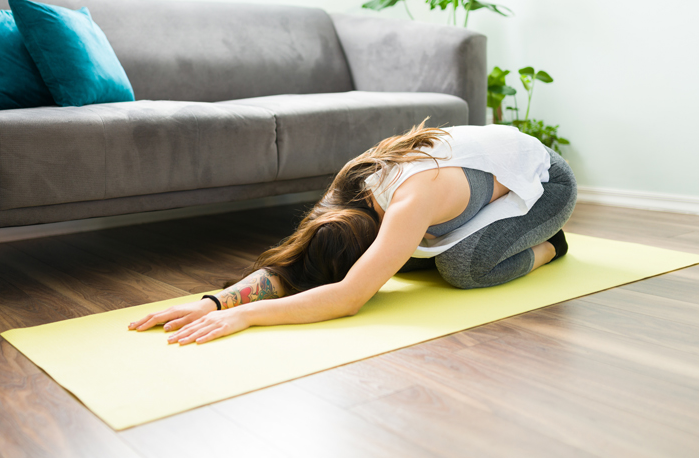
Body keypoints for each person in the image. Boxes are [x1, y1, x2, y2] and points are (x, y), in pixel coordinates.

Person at [129, 119, 577, 345]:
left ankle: (549, 247)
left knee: (463, 270)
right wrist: (214, 301)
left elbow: (347, 297)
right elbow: (298, 260)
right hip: (476, 181)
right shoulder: (348, 189)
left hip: (543, 185)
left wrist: (244, 316)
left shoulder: (409, 203)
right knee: (420, 268)